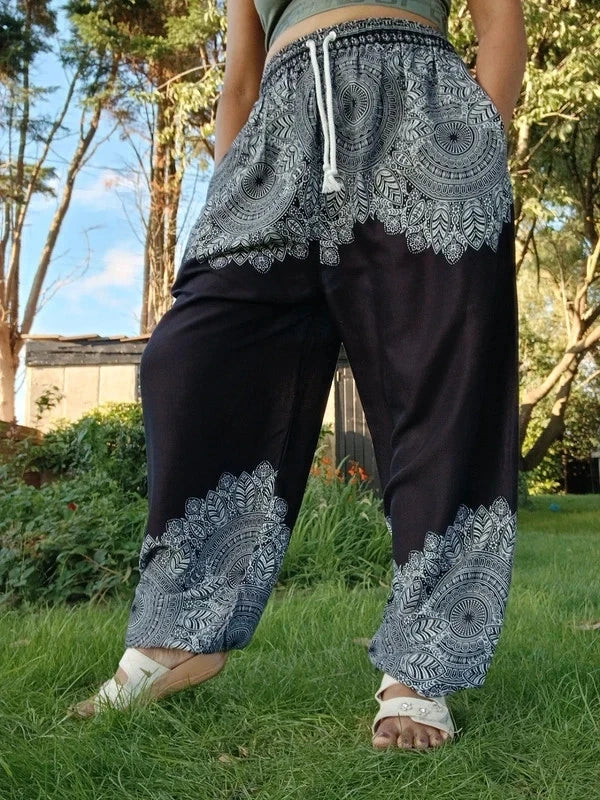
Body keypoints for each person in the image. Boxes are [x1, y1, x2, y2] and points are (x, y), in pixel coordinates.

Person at [67, 0, 528, 751]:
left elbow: (500, 23)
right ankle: (180, 633)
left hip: (418, 104)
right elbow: (239, 82)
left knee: (441, 382)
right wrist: (228, 195)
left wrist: (477, 141)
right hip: (275, 134)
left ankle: (421, 670)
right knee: (187, 361)